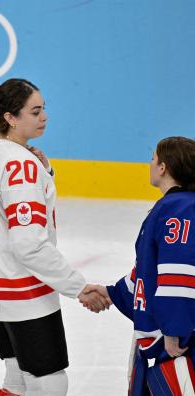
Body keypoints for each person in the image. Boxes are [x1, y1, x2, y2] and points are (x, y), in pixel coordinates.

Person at [0, 78, 109, 396]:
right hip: (21, 289)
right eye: (34, 111)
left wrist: (43, 172)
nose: (43, 117)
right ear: (10, 118)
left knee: (16, 376)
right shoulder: (20, 164)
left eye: (43, 109)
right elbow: (29, 244)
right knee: (49, 381)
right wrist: (78, 287)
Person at [88, 137, 195, 395]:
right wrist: (112, 293)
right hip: (162, 339)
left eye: (153, 158)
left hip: (175, 345)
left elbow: (178, 272)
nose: (150, 163)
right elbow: (149, 270)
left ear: (163, 167)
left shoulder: (179, 209)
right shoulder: (173, 207)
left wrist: (174, 331)